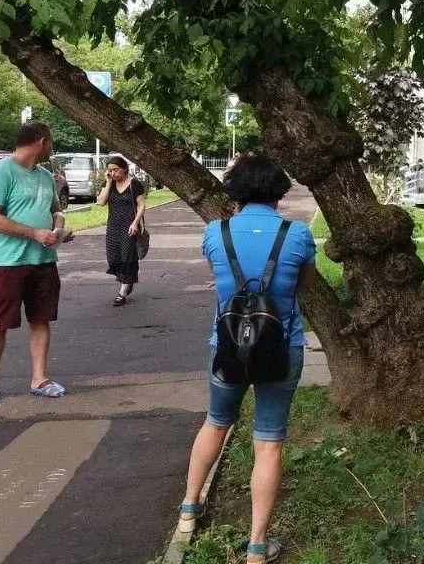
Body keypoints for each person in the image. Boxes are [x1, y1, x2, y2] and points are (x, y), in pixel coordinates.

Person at [178, 153, 315, 563]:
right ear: (279, 190)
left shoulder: (214, 232)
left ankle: (188, 511)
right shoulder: (298, 234)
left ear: (234, 190)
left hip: (228, 348)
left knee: (216, 423)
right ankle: (257, 545)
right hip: (281, 347)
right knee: (269, 442)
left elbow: (223, 283)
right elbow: (302, 286)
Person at [0, 121, 74, 406]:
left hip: (43, 261)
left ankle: (39, 379)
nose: (52, 148)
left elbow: (56, 210)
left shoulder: (45, 174)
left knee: (40, 319)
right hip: (6, 262)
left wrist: (59, 229)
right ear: (42, 141)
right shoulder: (2, 171)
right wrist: (34, 233)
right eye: (51, 142)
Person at [97, 155, 146, 306]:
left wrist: (135, 223)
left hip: (129, 226)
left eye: (116, 170)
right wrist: (108, 182)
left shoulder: (134, 184)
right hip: (113, 226)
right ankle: (128, 280)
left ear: (124, 169)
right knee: (113, 258)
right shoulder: (110, 184)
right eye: (110, 170)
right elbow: (101, 202)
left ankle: (123, 290)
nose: (113, 173)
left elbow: (141, 205)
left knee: (128, 257)